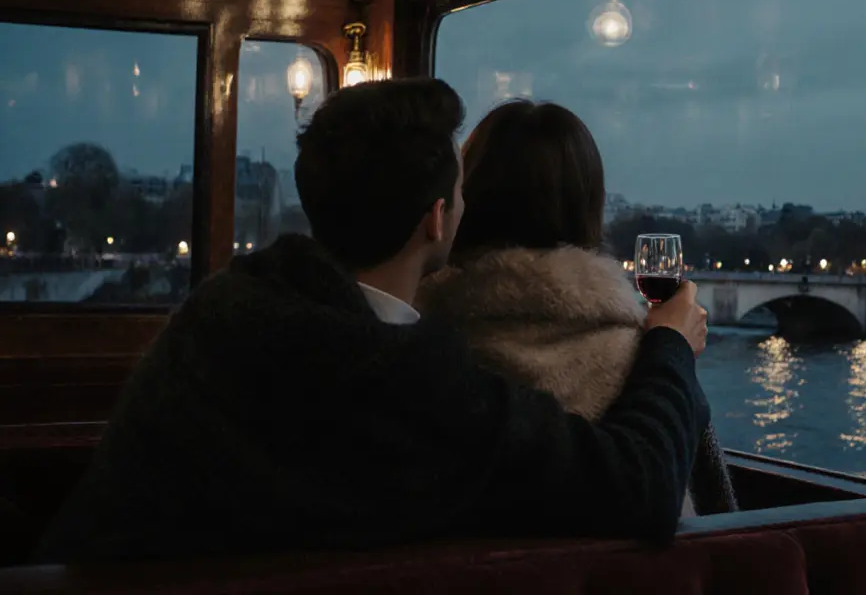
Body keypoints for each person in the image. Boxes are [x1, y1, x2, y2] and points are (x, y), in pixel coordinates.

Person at [36, 78, 709, 563]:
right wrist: (670, 342)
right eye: (460, 190)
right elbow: (641, 484)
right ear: (438, 217)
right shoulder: (409, 380)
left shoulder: (222, 311)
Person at [416, 100, 736, 516]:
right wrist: (671, 346)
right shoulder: (642, 361)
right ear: (589, 207)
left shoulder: (423, 344)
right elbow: (702, 503)